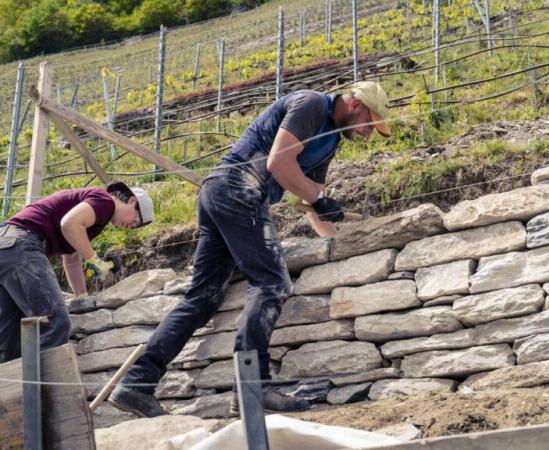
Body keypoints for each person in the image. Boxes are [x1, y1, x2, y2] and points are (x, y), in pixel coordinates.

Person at [109, 81, 391, 417]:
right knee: (271, 282)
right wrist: (319, 200)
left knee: (204, 297)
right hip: (237, 187)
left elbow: (312, 198)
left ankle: (137, 384)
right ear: (356, 104)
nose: (368, 134)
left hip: (225, 193)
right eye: (370, 125)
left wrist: (337, 242)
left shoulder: (329, 142)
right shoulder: (312, 104)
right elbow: (278, 163)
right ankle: (251, 388)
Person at [0, 180, 154, 363]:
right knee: (55, 322)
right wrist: (93, 259)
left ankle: (9, 389)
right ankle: (46, 388)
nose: (130, 227)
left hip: (6, 247)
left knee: (8, 336)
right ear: (132, 202)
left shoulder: (92, 214)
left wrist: (81, 296)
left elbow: (71, 257)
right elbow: (69, 224)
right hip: (20, 245)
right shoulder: (105, 201)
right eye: (135, 221)